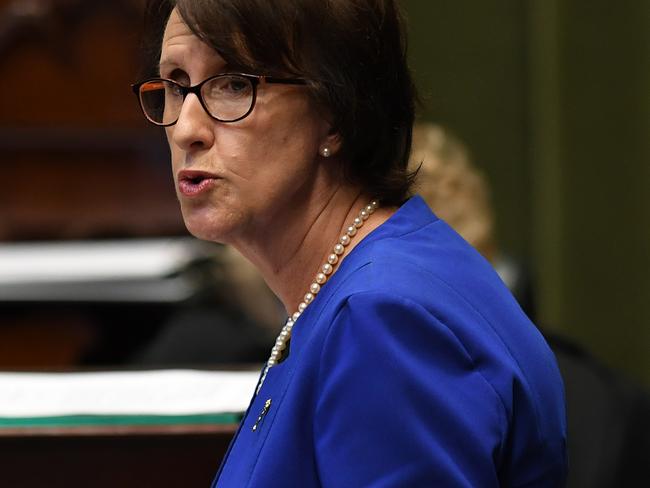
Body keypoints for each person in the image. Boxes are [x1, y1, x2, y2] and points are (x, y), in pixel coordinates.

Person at [132, 0, 567, 486]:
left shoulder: (383, 320)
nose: (186, 129)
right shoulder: (377, 278)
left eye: (234, 84)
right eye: (173, 84)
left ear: (337, 111)